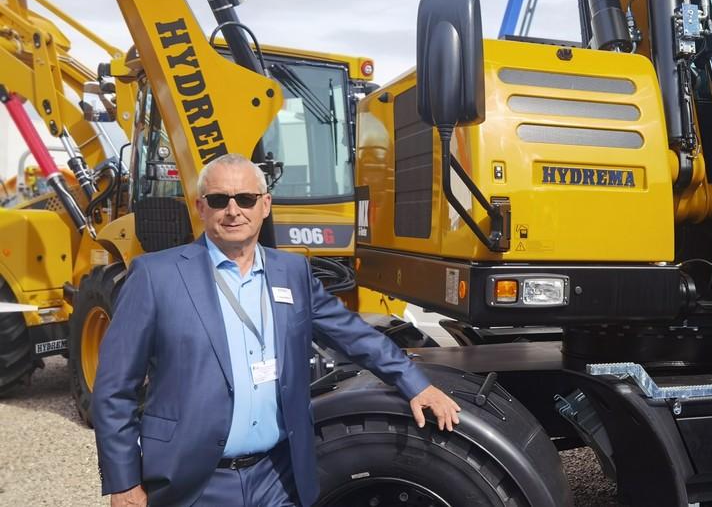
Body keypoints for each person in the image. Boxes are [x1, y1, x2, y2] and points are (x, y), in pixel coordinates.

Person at [93, 154, 461, 507]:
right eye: (220, 200)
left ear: (265, 205)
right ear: (201, 206)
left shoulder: (292, 272)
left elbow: (352, 334)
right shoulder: (156, 276)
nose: (233, 210)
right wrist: (124, 482)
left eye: (246, 199)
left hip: (277, 477)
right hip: (194, 483)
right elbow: (114, 389)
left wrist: (415, 382)